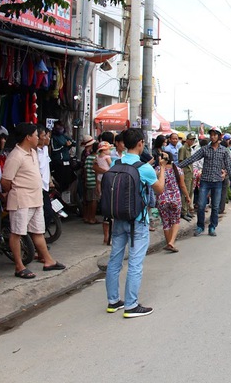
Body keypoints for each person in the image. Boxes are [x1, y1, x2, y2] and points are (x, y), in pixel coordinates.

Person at [105, 128, 165, 318]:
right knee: (135, 263)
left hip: (118, 218)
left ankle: (113, 301)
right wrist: (162, 168)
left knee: (114, 261)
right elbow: (159, 189)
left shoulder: (116, 162)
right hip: (138, 220)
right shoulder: (144, 168)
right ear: (140, 143)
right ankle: (131, 305)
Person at [1, 123, 66, 279]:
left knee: (38, 231)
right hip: (21, 200)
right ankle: (19, 266)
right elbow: (5, 181)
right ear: (28, 137)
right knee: (17, 233)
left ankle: (48, 261)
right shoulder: (16, 156)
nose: (39, 137)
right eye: (37, 135)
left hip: (36, 199)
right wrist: (18, 190)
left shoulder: (33, 152)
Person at [179, 126, 231, 237]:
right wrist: (178, 166)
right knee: (201, 205)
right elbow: (192, 158)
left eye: (215, 134)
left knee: (215, 206)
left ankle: (212, 227)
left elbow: (229, 166)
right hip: (205, 181)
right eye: (211, 134)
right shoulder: (205, 149)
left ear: (219, 136)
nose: (213, 136)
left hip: (218, 182)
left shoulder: (224, 151)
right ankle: (200, 226)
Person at [157, 151, 191, 253]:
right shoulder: (178, 170)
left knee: (166, 223)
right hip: (175, 198)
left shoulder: (158, 170)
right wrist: (187, 196)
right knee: (175, 221)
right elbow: (182, 185)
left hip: (162, 199)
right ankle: (171, 243)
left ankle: (169, 243)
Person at [94, 141, 112, 243]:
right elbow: (112, 166)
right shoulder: (106, 157)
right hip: (108, 180)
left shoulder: (98, 157)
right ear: (104, 150)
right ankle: (108, 236)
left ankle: (106, 237)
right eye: (108, 149)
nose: (109, 151)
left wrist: (98, 186)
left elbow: (97, 175)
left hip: (101, 179)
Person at [178, 133, 196, 221]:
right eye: (191, 139)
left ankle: (187, 210)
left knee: (189, 193)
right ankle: (183, 212)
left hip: (190, 173)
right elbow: (181, 162)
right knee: (185, 193)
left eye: (193, 140)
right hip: (185, 174)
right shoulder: (183, 149)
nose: (192, 141)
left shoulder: (189, 149)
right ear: (187, 140)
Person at [83, 142, 100, 224]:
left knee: (88, 200)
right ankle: (92, 218)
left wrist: (86, 181)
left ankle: (87, 217)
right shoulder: (97, 158)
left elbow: (85, 170)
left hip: (88, 181)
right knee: (94, 200)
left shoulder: (88, 157)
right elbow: (97, 171)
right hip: (94, 181)